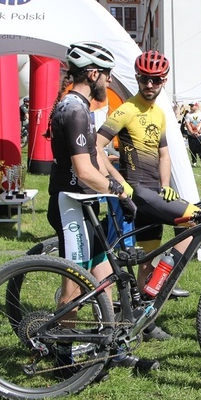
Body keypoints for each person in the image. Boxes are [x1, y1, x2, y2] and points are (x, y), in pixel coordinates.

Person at [45, 41, 157, 373]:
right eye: (106, 75)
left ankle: (111, 347)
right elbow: (82, 171)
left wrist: (117, 180)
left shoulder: (76, 105)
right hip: (71, 205)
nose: (107, 82)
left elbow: (94, 157)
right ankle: (62, 358)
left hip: (83, 204)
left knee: (104, 276)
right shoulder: (74, 109)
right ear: (92, 73)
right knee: (74, 286)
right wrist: (118, 192)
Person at [96, 50, 199, 342]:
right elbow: (96, 146)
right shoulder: (127, 109)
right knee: (197, 220)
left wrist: (166, 183)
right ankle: (159, 285)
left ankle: (144, 319)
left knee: (146, 262)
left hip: (155, 192)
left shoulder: (160, 113)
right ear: (138, 78)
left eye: (155, 80)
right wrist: (118, 183)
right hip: (137, 193)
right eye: (144, 79)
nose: (149, 84)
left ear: (163, 80)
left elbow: (164, 153)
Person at [184, 102, 201, 167]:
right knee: (192, 148)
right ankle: (194, 161)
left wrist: (199, 132)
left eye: (192, 105)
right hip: (191, 135)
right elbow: (187, 124)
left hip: (199, 135)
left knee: (200, 148)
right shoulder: (188, 115)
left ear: (196, 106)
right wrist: (192, 133)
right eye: (190, 105)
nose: (191, 107)